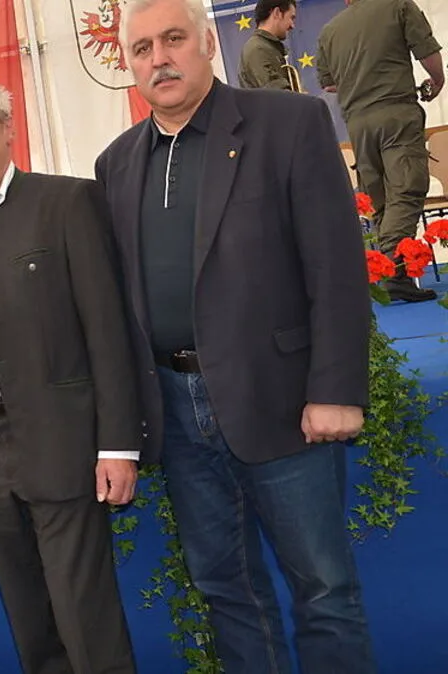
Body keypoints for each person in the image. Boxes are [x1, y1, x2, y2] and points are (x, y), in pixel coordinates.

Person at [96, 0, 376, 672]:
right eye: (141, 49)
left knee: (324, 589)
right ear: (129, 64)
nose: (159, 58)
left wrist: (336, 389)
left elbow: (336, 267)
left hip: (282, 400)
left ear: (207, 44)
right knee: (225, 588)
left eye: (172, 39)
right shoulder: (115, 164)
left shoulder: (290, 124)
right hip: (177, 414)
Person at [0, 79, 140, 674]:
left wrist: (118, 445)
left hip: (61, 442)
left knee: (85, 615)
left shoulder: (66, 203)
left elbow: (108, 331)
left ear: (8, 132)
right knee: (29, 621)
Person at [317, 0, 444, 302]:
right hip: (396, 111)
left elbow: (329, 84)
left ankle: (389, 272)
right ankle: (395, 268)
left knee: (380, 198)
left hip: (358, 123)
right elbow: (427, 51)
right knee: (406, 189)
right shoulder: (398, 5)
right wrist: (438, 80)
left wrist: (359, 82)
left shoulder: (329, 31)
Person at [237, 0, 298, 90]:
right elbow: (277, 94)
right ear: (277, 13)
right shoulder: (258, 49)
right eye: (291, 18)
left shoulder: (266, 47)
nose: (292, 25)